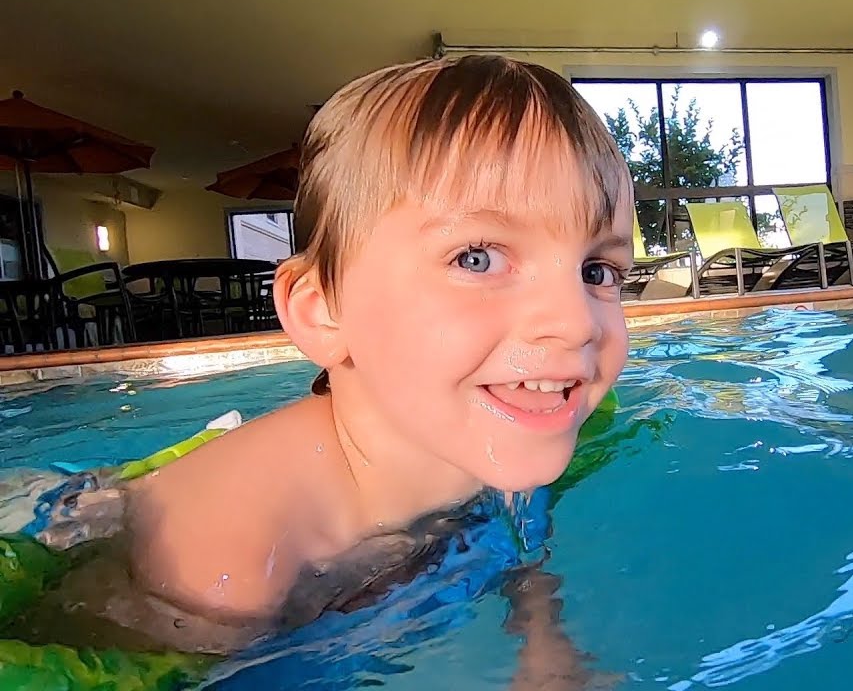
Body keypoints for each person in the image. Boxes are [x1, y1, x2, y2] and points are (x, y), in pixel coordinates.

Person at [1, 53, 636, 687]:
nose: (576, 321)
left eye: (596, 271)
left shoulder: (492, 423)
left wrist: (541, 637)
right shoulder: (227, 571)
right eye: (476, 258)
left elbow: (517, 526)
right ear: (323, 312)